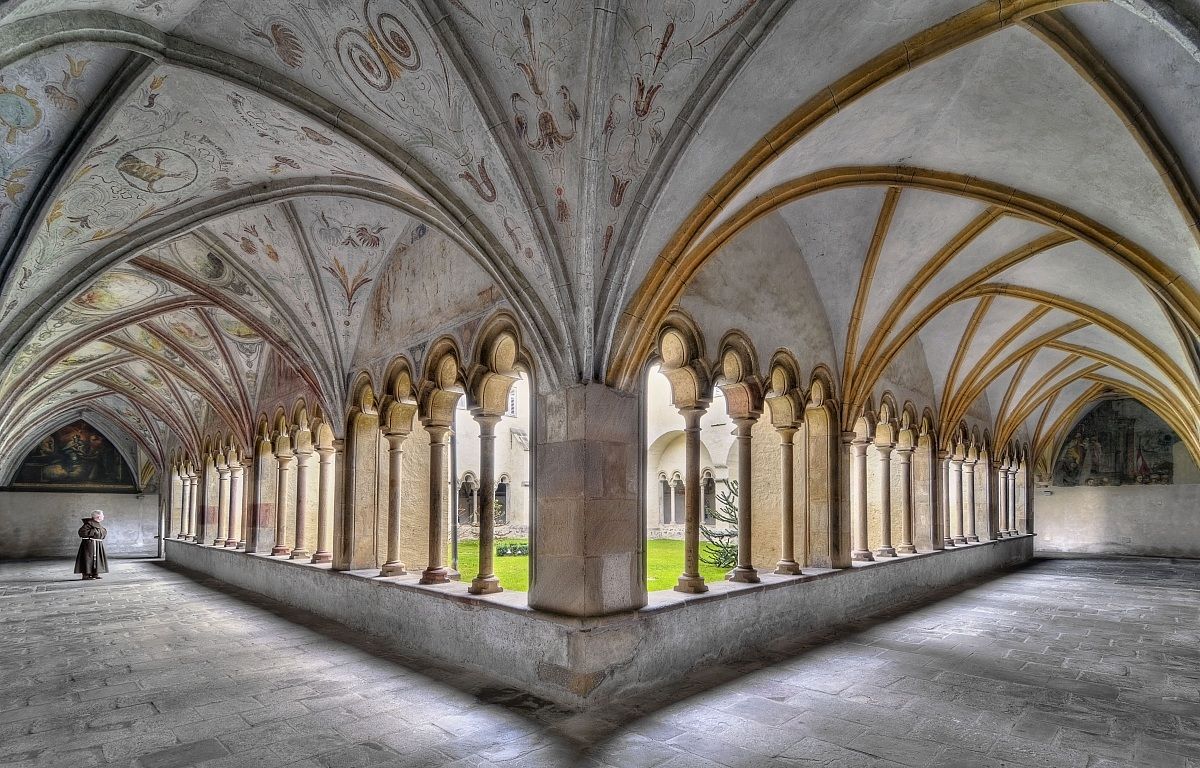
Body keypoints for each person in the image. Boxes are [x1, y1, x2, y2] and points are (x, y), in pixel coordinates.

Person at [74, 510, 109, 580]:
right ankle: (86, 575)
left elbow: (102, 533)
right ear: (98, 517)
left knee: (96, 559)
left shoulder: (97, 524)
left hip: (97, 544)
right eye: (102, 515)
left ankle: (94, 573)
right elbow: (82, 532)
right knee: (88, 558)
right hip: (89, 544)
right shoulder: (88, 524)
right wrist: (95, 532)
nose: (103, 516)